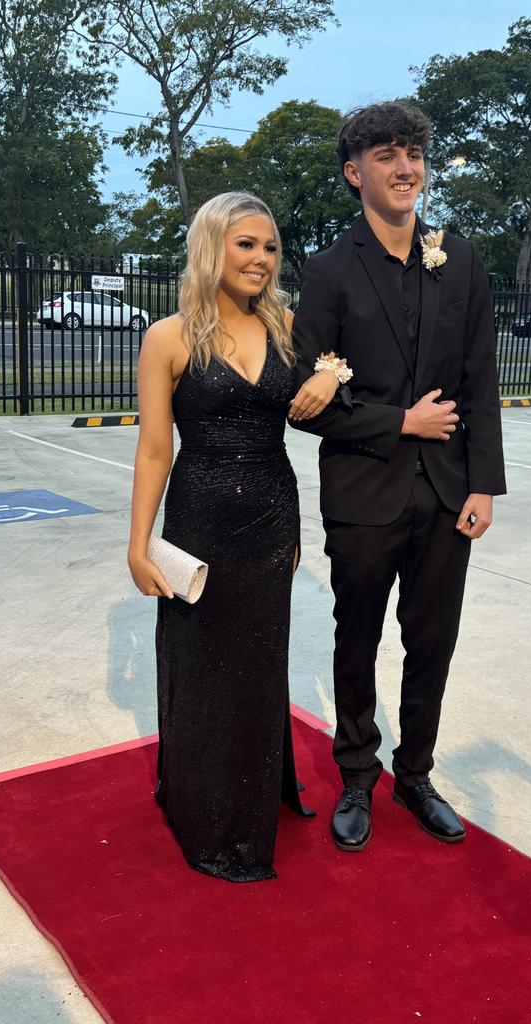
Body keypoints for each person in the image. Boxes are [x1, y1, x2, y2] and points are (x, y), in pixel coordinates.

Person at [289, 101, 506, 852]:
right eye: (385, 155)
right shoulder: (327, 272)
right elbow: (306, 399)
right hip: (363, 493)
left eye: (412, 152)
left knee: (433, 642)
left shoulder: (462, 260)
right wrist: (397, 422)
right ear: (356, 173)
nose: (404, 166)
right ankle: (357, 773)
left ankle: (415, 774)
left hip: (449, 494)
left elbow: (480, 379)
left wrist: (483, 485)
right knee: (357, 638)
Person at [127, 192, 339, 882]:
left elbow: (336, 375)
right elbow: (156, 449)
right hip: (198, 520)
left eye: (270, 247)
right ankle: (206, 810)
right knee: (202, 666)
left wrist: (333, 378)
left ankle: (250, 803)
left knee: (255, 665)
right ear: (212, 247)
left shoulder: (285, 325)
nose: (260, 258)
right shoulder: (167, 337)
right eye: (246, 244)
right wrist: (138, 542)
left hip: (274, 516)